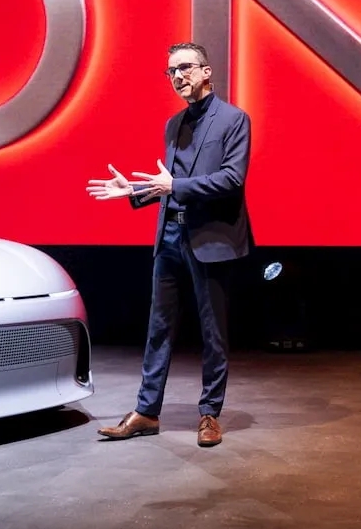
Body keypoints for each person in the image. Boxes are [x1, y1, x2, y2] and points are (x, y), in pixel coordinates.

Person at [85, 42, 254, 448]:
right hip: (171, 238)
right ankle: (146, 411)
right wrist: (134, 190)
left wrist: (174, 185)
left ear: (207, 71)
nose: (178, 76)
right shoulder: (173, 124)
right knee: (158, 328)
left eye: (185, 68)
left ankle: (209, 414)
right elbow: (169, 184)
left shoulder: (233, 119)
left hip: (210, 240)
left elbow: (231, 179)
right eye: (171, 71)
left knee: (213, 332)